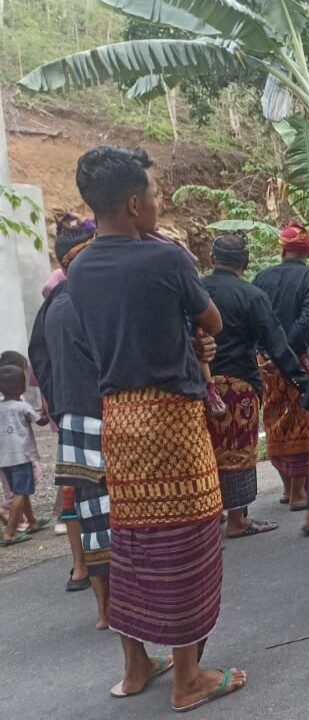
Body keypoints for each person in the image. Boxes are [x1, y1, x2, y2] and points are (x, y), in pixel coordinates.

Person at [68, 146, 246, 710]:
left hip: (118, 420)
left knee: (135, 544)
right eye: (151, 195)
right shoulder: (166, 259)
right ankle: (190, 678)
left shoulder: (79, 267)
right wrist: (195, 339)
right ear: (131, 204)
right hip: (170, 419)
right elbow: (212, 320)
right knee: (189, 538)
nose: (156, 202)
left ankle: (137, 664)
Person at [28, 215, 113, 627]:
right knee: (127, 516)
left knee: (94, 519)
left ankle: (104, 612)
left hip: (74, 423)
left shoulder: (51, 305)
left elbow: (39, 362)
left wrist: (61, 407)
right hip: (110, 415)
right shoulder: (96, 294)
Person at [202, 235, 308, 538]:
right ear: (245, 263)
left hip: (200, 382)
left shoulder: (197, 289)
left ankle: (215, 512)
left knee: (207, 449)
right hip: (239, 384)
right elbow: (276, 343)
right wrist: (302, 380)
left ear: (212, 259)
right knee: (237, 450)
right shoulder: (251, 295)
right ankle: (238, 520)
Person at [252, 223, 309, 524]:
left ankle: (287, 487)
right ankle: (298, 490)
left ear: (282, 249)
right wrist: (289, 351)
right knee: (302, 421)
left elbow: (255, 318)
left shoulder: (261, 278)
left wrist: (268, 353)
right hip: (299, 362)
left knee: (275, 420)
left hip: (265, 362)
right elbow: (307, 320)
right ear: (308, 252)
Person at [0, 366, 50, 546]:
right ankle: (10, 532)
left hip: (4, 459)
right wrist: (46, 412)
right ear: (23, 387)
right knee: (21, 492)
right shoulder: (23, 406)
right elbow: (41, 422)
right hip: (21, 457)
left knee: (21, 491)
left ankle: (32, 522)